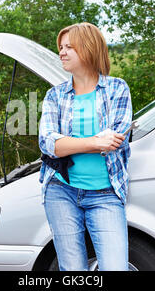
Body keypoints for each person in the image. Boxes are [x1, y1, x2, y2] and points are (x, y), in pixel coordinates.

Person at [38, 22, 133, 271]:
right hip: (61, 191)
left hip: (105, 194)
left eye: (69, 47)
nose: (62, 52)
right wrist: (93, 141)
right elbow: (48, 143)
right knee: (72, 270)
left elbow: (115, 141)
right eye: (61, 47)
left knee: (115, 267)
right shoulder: (55, 95)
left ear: (88, 48)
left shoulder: (117, 89)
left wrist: (68, 144)